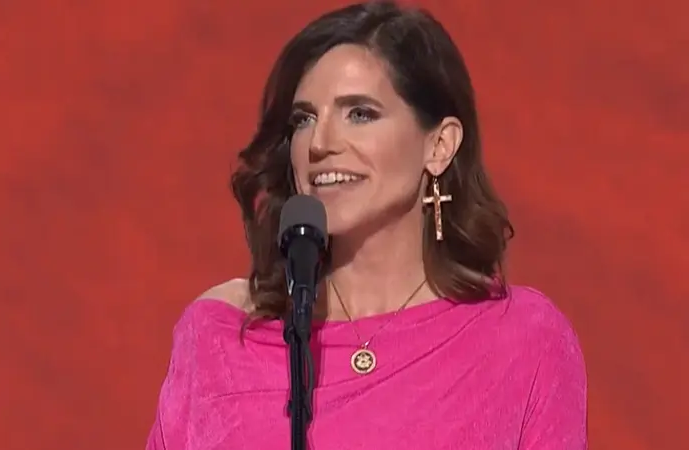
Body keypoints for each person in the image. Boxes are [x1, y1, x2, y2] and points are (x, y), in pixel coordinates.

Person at [146, 1, 587, 449]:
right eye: (304, 119)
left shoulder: (522, 340)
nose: (320, 144)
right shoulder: (221, 336)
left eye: (359, 113)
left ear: (439, 145)